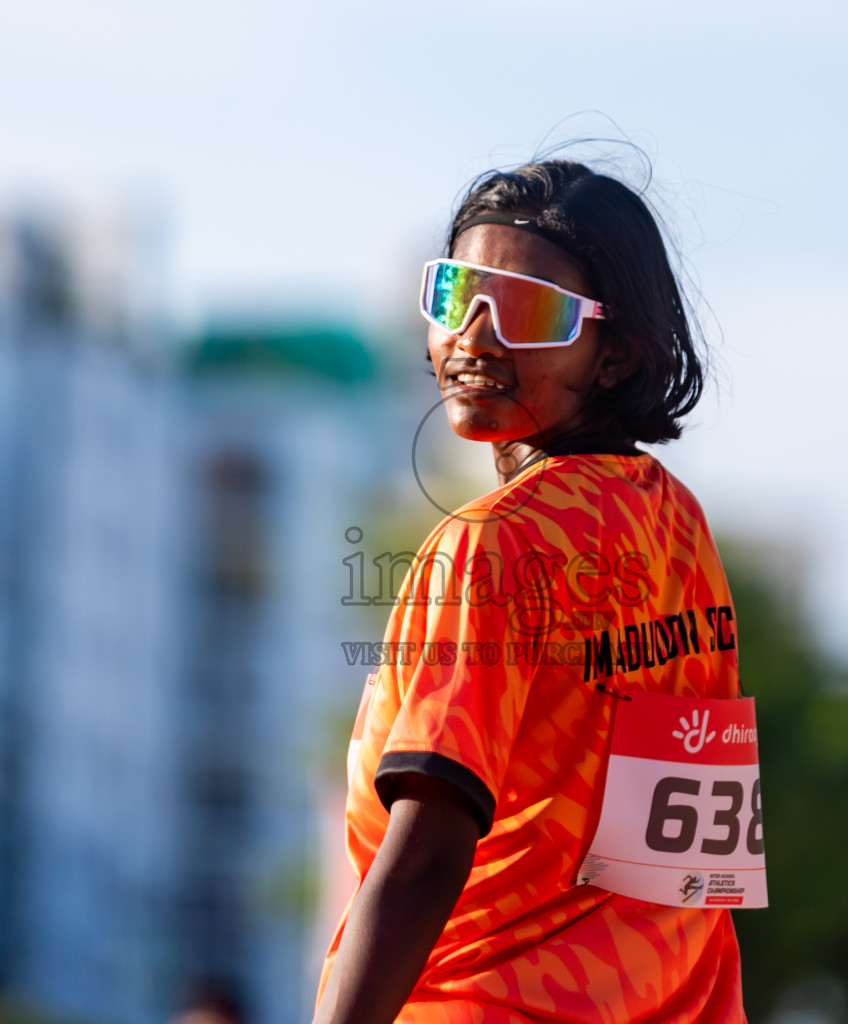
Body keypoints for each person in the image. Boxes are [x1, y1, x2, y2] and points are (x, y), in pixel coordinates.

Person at [313, 159, 749, 1024]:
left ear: (614, 349)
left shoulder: (491, 547)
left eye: (524, 310)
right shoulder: (677, 530)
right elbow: (694, 864)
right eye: (455, 296)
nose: (474, 338)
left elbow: (428, 853)